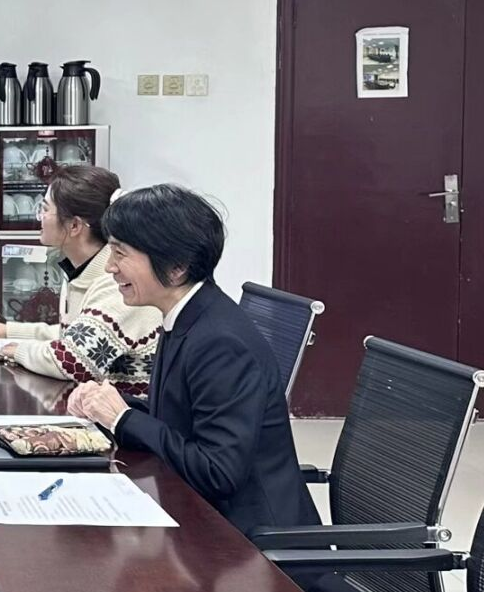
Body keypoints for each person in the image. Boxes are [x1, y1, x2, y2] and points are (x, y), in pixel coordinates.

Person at [68, 184, 320, 539]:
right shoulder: (187, 316)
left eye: (121, 254)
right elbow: (181, 416)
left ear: (176, 268)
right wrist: (111, 405)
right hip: (208, 520)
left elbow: (218, 472)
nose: (110, 267)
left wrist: (123, 418)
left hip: (253, 545)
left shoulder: (219, 342)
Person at [0, 165, 161, 393]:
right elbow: (72, 336)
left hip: (123, 411)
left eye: (45, 209)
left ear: (74, 225)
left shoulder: (118, 282)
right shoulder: (79, 271)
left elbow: (71, 361)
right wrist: (9, 331)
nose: (39, 217)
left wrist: (14, 350)